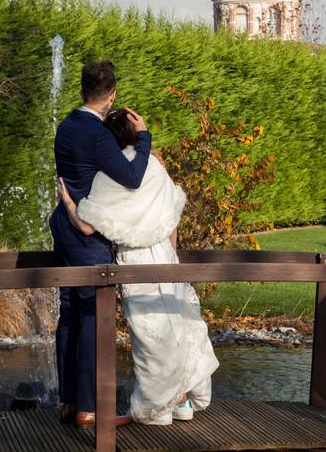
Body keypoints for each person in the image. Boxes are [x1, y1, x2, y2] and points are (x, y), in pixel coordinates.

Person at [58, 108, 219, 426]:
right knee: (178, 323)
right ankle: (184, 401)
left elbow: (88, 227)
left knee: (152, 336)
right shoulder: (156, 166)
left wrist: (67, 201)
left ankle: (157, 409)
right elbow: (174, 212)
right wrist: (171, 253)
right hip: (165, 255)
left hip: (137, 261)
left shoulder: (110, 177)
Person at [50, 61, 151, 429]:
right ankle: (91, 408)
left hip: (63, 226)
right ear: (112, 96)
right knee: (94, 316)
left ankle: (69, 401)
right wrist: (144, 138)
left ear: (81, 92)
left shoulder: (64, 127)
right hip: (87, 234)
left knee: (69, 314)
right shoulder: (98, 135)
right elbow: (132, 176)